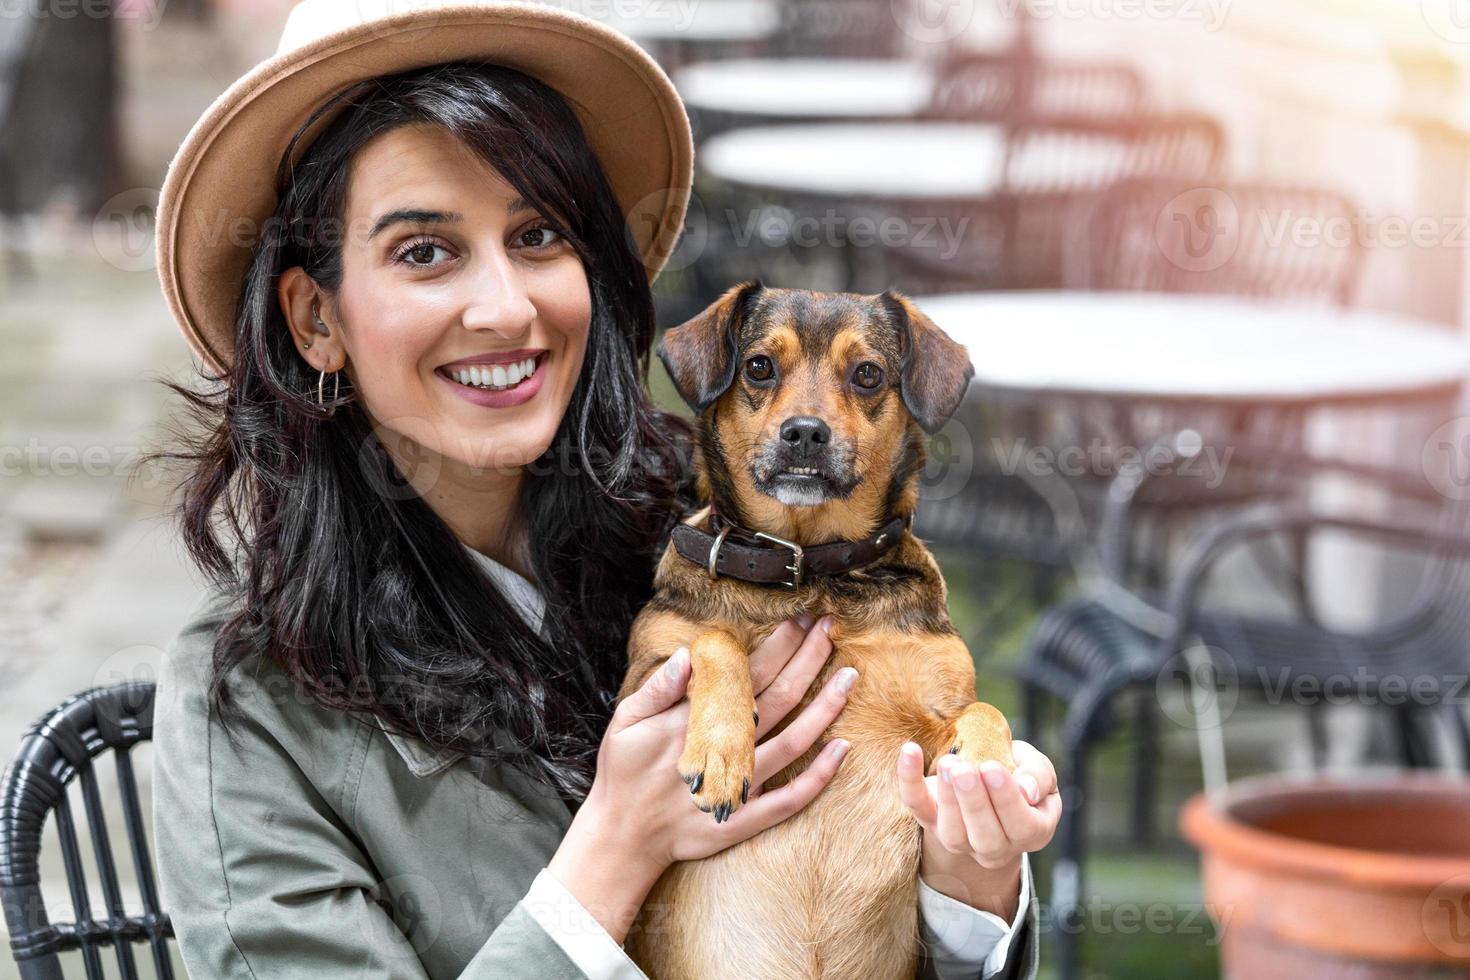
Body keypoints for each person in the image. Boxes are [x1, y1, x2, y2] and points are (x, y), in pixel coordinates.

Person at [148, 2, 1058, 977]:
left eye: (539, 234)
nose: (505, 305)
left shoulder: (722, 539)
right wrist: (615, 848)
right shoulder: (251, 707)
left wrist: (968, 877)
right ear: (316, 316)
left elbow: (850, 896)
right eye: (424, 250)